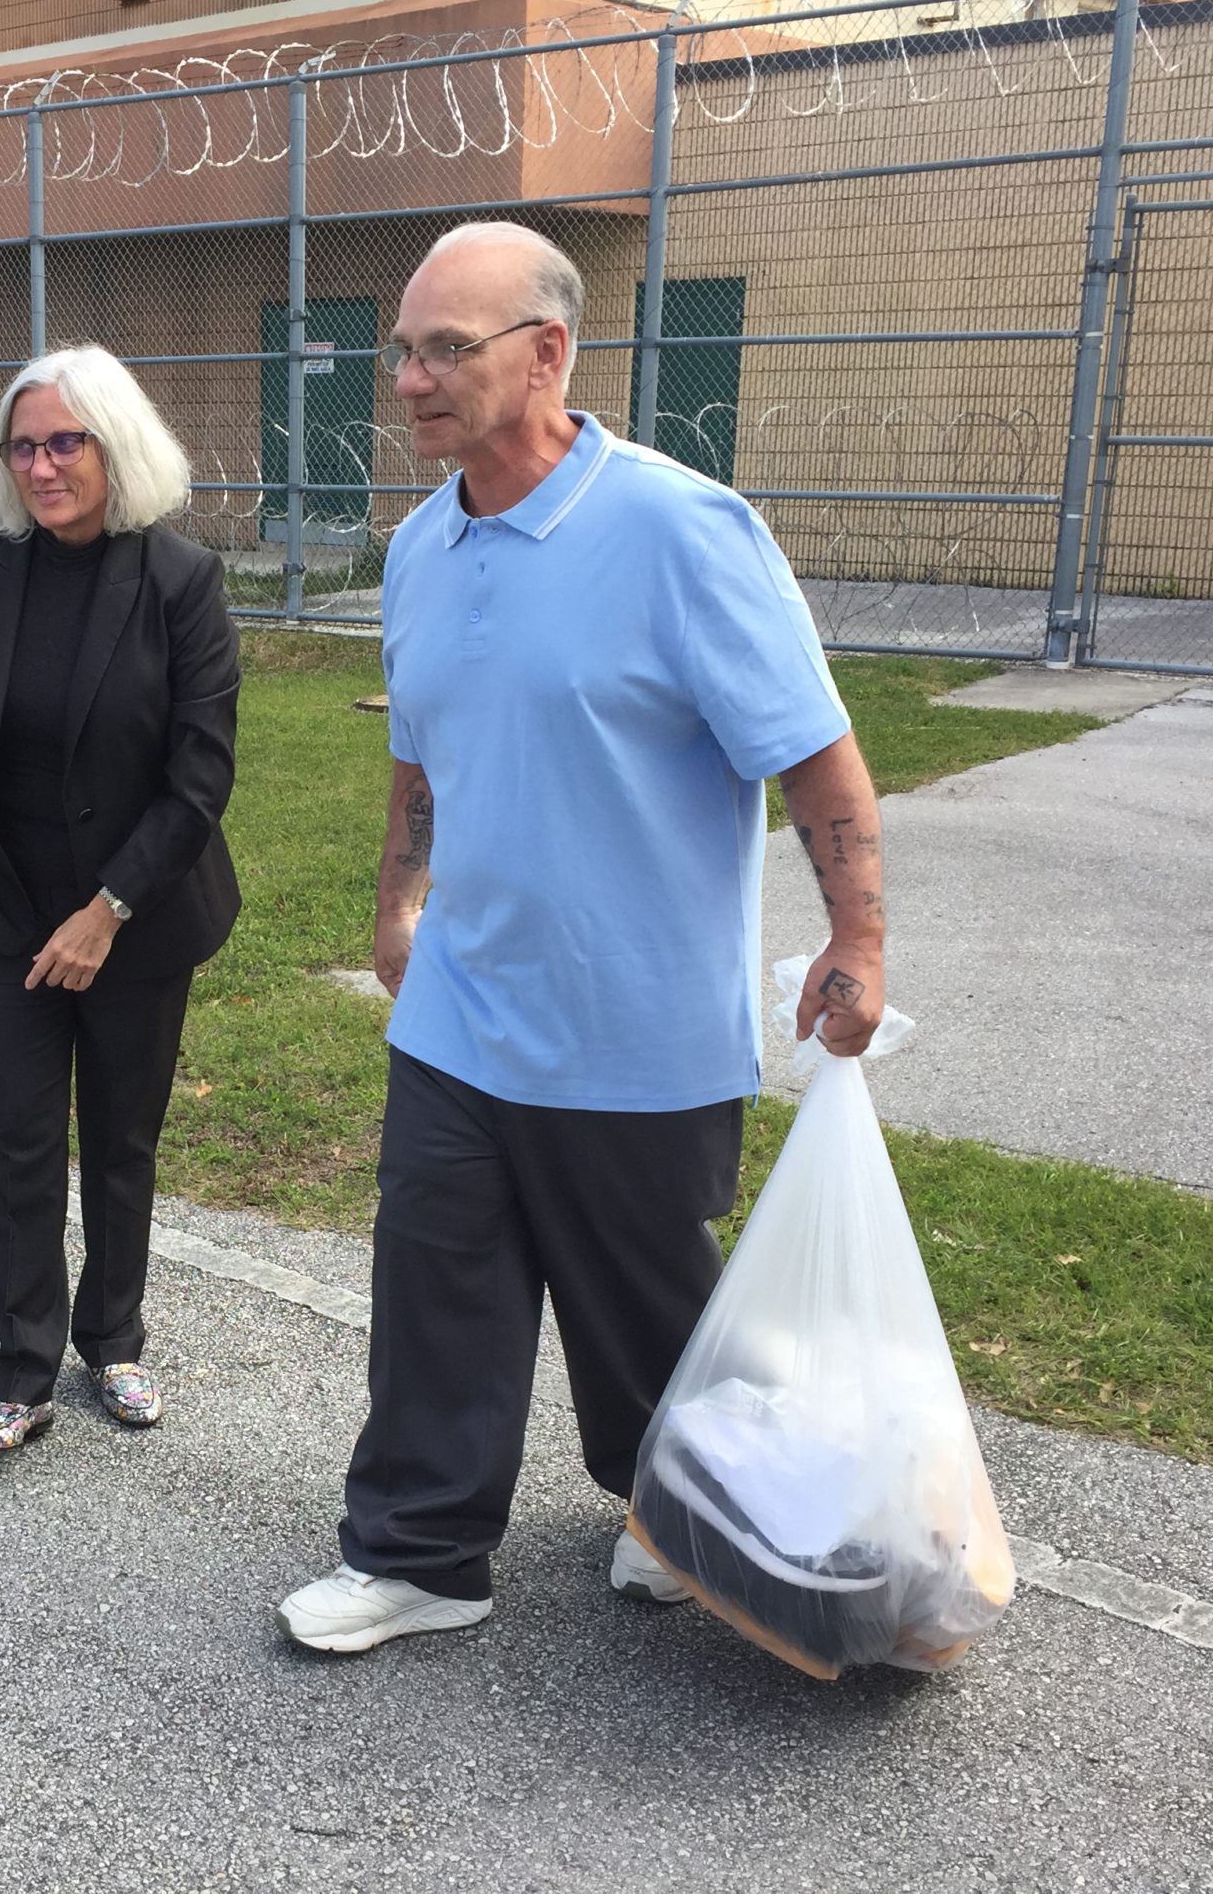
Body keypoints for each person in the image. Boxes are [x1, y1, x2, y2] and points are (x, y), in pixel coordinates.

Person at [277, 223, 890, 1653]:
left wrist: (856, 931)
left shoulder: (683, 531)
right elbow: (421, 754)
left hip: (639, 1029)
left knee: (646, 1320)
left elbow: (816, 759)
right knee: (435, 1284)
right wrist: (395, 899)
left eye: (447, 349)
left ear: (547, 354)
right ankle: (419, 1551)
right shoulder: (424, 547)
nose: (412, 380)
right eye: (404, 351)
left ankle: (674, 1512)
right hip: (463, 1010)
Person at [0, 344, 242, 1453]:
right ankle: (24, 1369)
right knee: (19, 1134)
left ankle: (116, 1338)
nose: (42, 466)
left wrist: (110, 911)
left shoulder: (178, 580)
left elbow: (199, 773)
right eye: (24, 445)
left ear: (113, 444)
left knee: (122, 1137)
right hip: (2, 912)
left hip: (134, 918)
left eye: (65, 442)